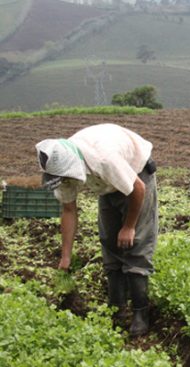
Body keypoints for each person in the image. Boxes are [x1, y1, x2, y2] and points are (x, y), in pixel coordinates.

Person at [35, 123, 158, 337]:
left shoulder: (104, 159)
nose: (64, 182)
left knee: (135, 243)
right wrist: (65, 257)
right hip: (107, 186)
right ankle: (116, 309)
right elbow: (68, 210)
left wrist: (128, 227)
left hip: (137, 176)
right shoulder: (60, 165)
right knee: (109, 242)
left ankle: (140, 313)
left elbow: (138, 189)